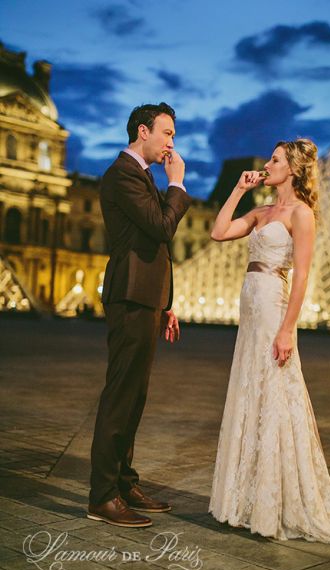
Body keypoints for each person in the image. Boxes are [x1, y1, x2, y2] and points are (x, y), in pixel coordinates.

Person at [208, 138, 330, 544]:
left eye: (274, 160)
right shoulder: (260, 211)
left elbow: (303, 275)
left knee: (274, 392)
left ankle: (274, 501)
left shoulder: (301, 213)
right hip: (250, 309)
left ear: (292, 168)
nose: (266, 165)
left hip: (273, 305)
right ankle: (247, 498)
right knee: (249, 389)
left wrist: (288, 328)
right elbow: (219, 232)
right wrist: (238, 189)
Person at [88, 103, 191, 528]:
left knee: (136, 395)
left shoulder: (141, 176)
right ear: (143, 131)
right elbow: (161, 228)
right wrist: (178, 185)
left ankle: (124, 481)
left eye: (173, 136)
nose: (171, 143)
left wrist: (165, 303)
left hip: (145, 298)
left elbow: (157, 248)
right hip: (129, 297)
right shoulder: (123, 175)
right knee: (120, 395)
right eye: (166, 133)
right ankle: (102, 495)